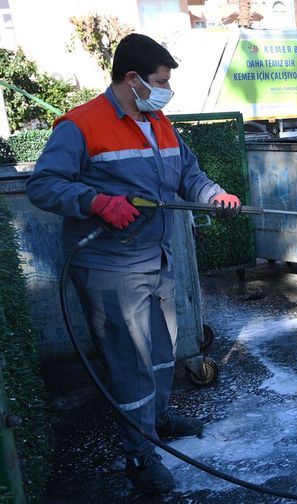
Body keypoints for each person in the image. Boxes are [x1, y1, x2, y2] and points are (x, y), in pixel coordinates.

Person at [26, 33, 241, 495]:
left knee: (161, 353)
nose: (166, 91)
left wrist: (212, 194)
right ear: (133, 79)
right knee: (131, 364)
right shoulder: (81, 124)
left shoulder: (157, 120)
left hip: (154, 257)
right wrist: (97, 201)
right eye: (161, 82)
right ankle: (139, 456)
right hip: (109, 266)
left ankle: (157, 421)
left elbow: (188, 173)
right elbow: (43, 186)